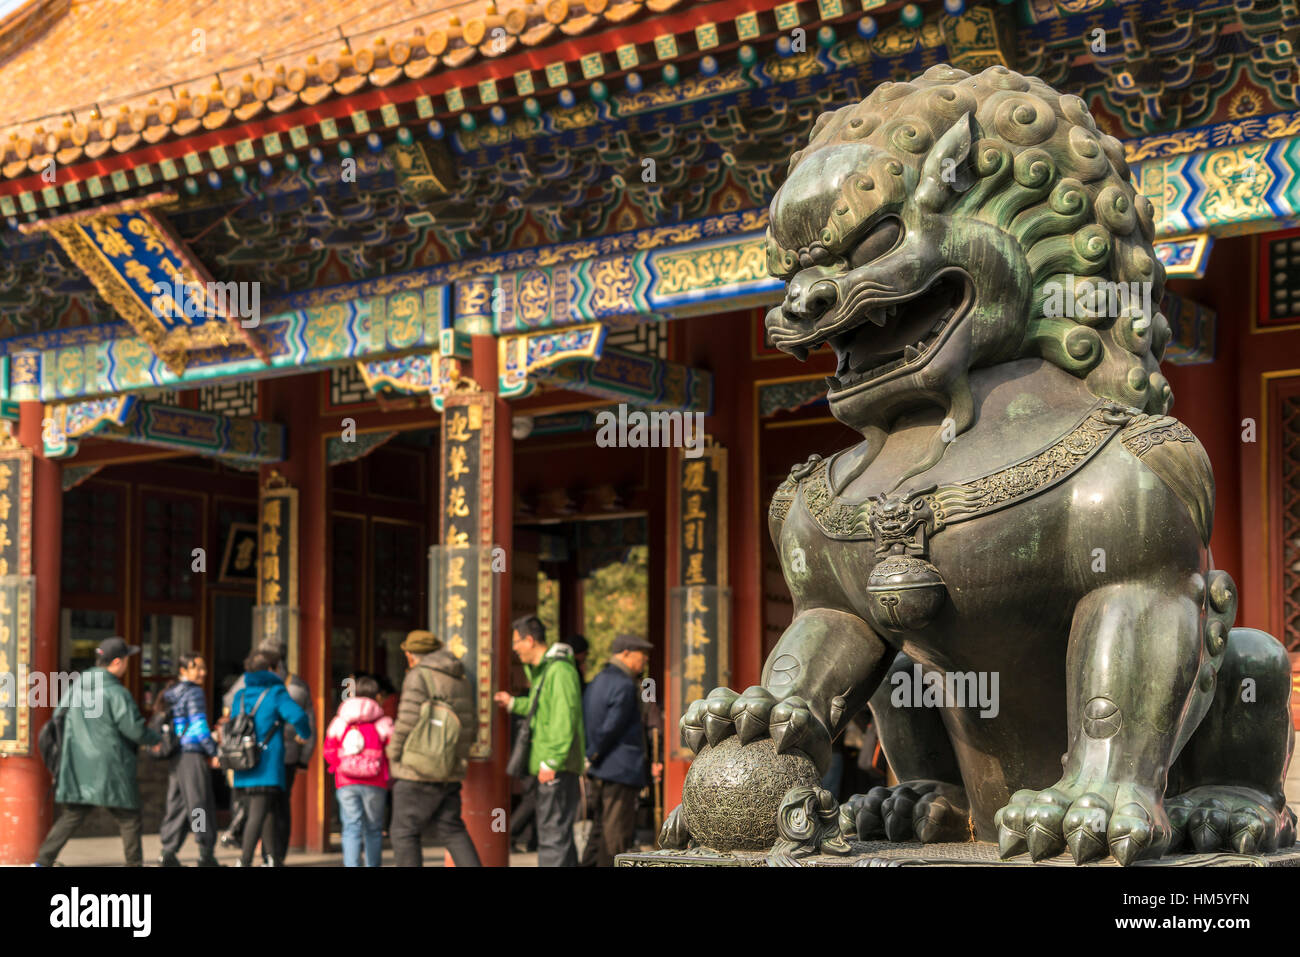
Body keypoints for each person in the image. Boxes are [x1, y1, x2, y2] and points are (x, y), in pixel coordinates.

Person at [36, 637, 162, 867]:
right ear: (116, 662)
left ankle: (42, 862)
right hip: (111, 764)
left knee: (73, 815)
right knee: (129, 817)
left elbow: (58, 718)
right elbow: (133, 728)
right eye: (125, 660)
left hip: (78, 762)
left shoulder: (76, 686)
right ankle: (134, 864)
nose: (126, 665)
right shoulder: (116, 692)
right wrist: (154, 739)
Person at [493, 615, 584, 867]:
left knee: (552, 835)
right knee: (558, 836)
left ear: (530, 640)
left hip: (556, 765)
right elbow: (542, 709)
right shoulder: (547, 670)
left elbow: (564, 718)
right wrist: (512, 703)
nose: (514, 648)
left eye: (516, 642)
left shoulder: (559, 671)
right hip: (553, 763)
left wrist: (552, 759)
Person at [386, 630, 481, 867]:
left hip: (418, 768)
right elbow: (471, 722)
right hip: (449, 767)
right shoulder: (460, 677)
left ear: (411, 655)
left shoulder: (419, 676)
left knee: (403, 831)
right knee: (452, 829)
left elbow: (407, 720)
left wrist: (393, 754)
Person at [221, 639, 314, 863]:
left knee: (267, 810)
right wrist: (304, 734)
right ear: (272, 669)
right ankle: (244, 860)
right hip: (268, 763)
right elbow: (299, 716)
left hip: (243, 761)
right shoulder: (276, 693)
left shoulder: (240, 695)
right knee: (258, 813)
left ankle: (271, 858)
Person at [579, 633, 653, 866]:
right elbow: (612, 726)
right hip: (620, 767)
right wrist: (594, 753)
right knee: (617, 835)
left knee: (599, 830)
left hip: (602, 767)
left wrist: (591, 755)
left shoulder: (596, 681)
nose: (644, 661)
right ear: (626, 653)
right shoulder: (624, 684)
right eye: (642, 655)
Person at [158, 653, 221, 867]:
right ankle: (205, 852)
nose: (203, 673)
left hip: (176, 755)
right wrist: (213, 751)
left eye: (203, 668)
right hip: (192, 754)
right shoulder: (194, 693)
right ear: (184, 670)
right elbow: (199, 726)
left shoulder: (172, 692)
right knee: (199, 804)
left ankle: (168, 852)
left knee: (177, 804)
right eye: (198, 668)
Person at [324, 676, 393, 867]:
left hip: (346, 782)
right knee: (373, 829)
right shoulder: (384, 722)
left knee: (351, 827)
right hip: (375, 782)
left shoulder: (340, 721)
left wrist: (338, 765)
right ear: (377, 696)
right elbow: (393, 751)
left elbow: (328, 749)